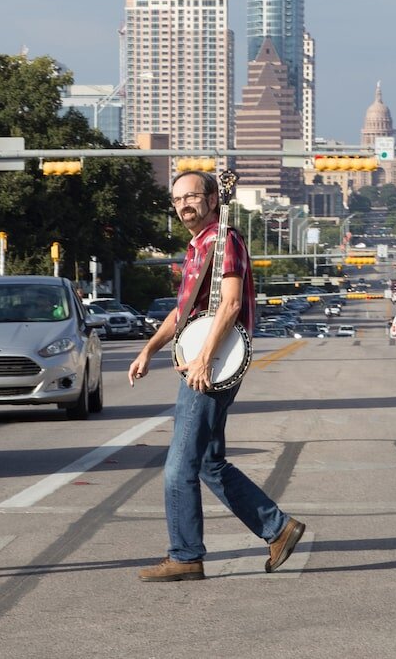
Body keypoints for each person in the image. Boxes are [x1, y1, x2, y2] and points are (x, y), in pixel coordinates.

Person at [128, 170, 305, 582]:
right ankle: (277, 529)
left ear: (212, 199)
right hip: (201, 363)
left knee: (178, 467)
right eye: (177, 200)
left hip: (211, 368)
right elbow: (184, 311)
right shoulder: (197, 248)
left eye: (191, 196)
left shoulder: (224, 240)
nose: (184, 205)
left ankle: (185, 555)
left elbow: (229, 305)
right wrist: (148, 349)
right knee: (209, 462)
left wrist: (204, 359)